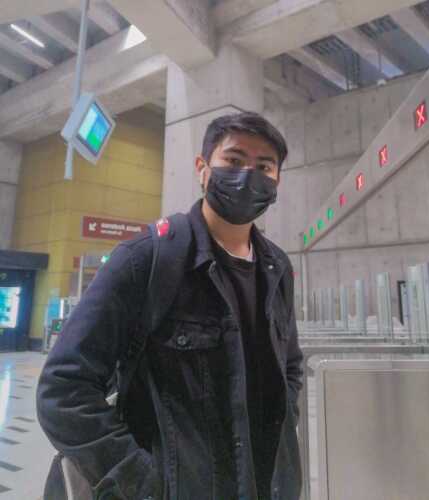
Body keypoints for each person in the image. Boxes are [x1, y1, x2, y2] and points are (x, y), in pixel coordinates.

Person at [37, 112, 304, 500]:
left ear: (277, 180)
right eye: (233, 160)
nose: (248, 175)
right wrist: (141, 481)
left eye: (264, 166)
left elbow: (290, 364)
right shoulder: (146, 259)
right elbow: (63, 388)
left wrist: (284, 427)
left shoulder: (276, 267)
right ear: (202, 168)